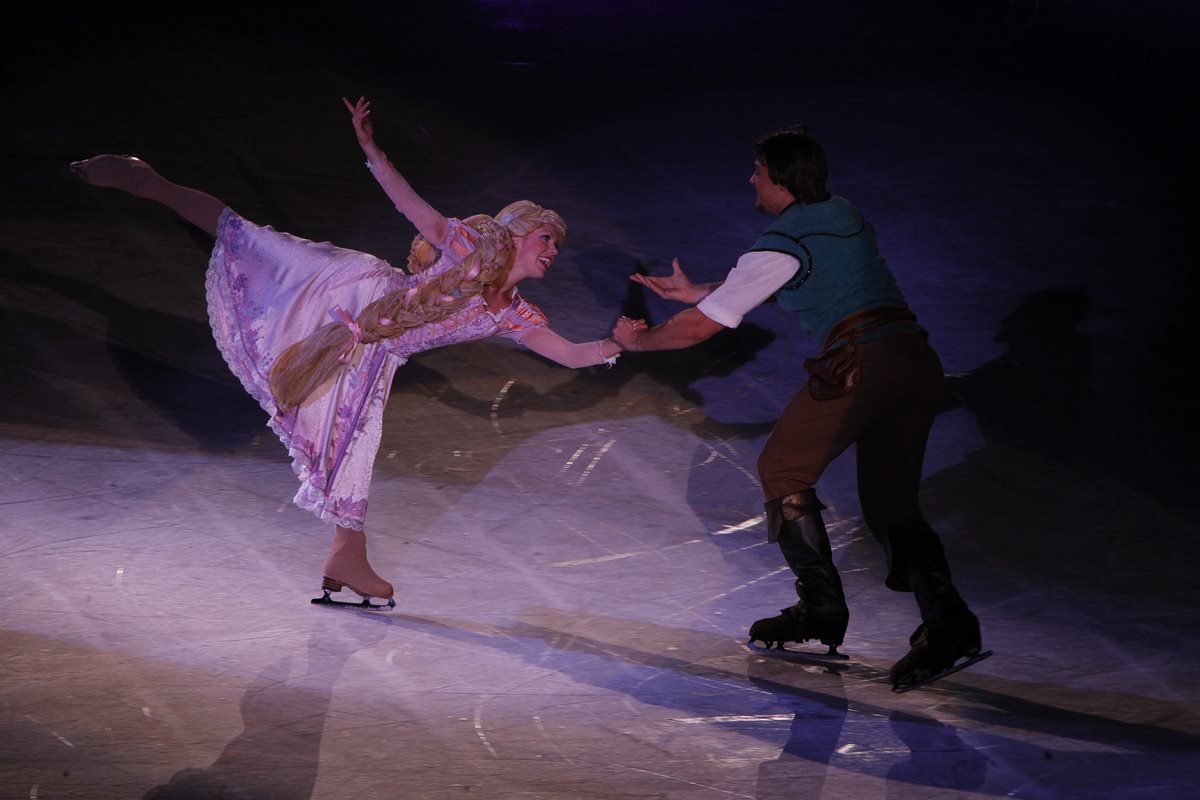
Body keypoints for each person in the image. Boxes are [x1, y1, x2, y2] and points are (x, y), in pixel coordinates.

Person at [70, 96, 625, 610]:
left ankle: (345, 554)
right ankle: (150, 182)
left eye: (558, 244)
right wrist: (372, 150)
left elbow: (571, 355)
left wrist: (618, 343)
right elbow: (415, 209)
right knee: (256, 242)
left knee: (351, 450)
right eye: (546, 237)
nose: (553, 250)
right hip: (357, 296)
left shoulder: (514, 313)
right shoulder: (469, 249)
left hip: (372, 354)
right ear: (519, 234)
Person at [610, 124, 988, 691]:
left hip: (862, 363)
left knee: (782, 469)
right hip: (915, 361)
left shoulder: (779, 242)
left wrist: (635, 341)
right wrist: (705, 291)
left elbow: (695, 331)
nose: (751, 180)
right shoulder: (841, 211)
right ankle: (950, 622)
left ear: (780, 180)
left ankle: (821, 609)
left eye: (758, 170)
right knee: (891, 502)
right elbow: (800, 276)